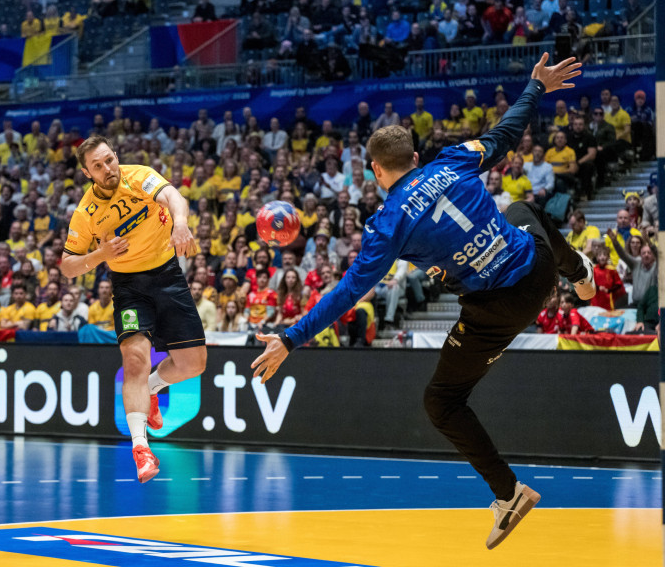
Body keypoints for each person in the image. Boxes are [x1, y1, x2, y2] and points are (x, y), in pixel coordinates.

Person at [250, 53, 594, 549]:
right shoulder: (453, 158)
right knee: (522, 208)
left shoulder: (387, 224)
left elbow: (349, 292)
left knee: (442, 402)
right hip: (538, 269)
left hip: (497, 311)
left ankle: (509, 492)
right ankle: (578, 270)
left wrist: (289, 337)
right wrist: (536, 86)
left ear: (375, 171)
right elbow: (506, 132)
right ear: (415, 156)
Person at [61, 135, 206, 484]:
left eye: (109, 159)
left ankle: (154, 389)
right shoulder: (86, 213)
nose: (108, 168)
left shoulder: (139, 176)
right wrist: (100, 256)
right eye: (98, 165)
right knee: (135, 359)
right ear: (87, 172)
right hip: (128, 287)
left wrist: (181, 223)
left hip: (167, 273)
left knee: (194, 364)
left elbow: (173, 196)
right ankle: (141, 448)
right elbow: (67, 266)